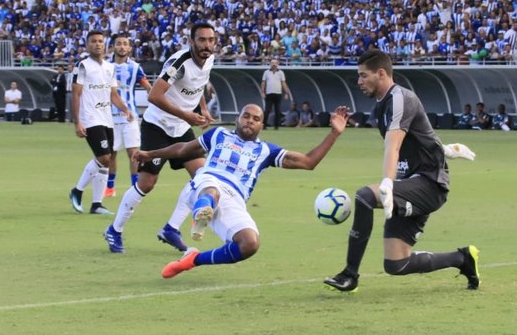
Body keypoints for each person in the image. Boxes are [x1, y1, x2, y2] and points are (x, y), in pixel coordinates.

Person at [323, 50, 480, 293]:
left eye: (363, 76)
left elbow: (393, 145)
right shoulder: (383, 104)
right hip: (411, 184)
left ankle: (349, 274)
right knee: (396, 264)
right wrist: (447, 149)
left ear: (381, 73)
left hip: (429, 184)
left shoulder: (400, 98)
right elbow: (420, 135)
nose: (359, 81)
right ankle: (463, 259)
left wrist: (387, 182)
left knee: (364, 197)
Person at [130, 104, 349, 278]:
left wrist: (334, 134)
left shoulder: (267, 151)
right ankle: (202, 212)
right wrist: (150, 154)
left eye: (256, 119)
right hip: (206, 182)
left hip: (234, 198)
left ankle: (192, 260)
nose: (250, 121)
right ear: (238, 118)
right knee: (212, 192)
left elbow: (308, 162)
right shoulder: (218, 135)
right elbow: (182, 149)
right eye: (246, 116)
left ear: (262, 125)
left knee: (249, 244)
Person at [104, 22, 216, 253]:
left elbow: (199, 86)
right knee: (146, 183)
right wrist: (187, 114)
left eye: (211, 40)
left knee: (202, 177)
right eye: (202, 40)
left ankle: (171, 229)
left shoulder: (209, 60)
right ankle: (114, 230)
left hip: (181, 127)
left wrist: (202, 109)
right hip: (158, 126)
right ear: (191, 41)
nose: (207, 45)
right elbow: (155, 95)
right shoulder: (179, 63)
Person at [69, 30, 134, 215]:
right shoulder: (82, 66)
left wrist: (125, 109)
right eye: (93, 41)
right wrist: (77, 122)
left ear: (105, 45)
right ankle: (77, 190)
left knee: (107, 161)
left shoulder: (110, 67)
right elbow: (76, 94)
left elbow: (113, 95)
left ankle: (97, 204)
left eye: (100, 41)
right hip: (90, 118)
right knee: (104, 157)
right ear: (87, 45)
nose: (97, 44)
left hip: (107, 118)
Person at [104, 33, 152, 198]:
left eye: (125, 44)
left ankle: (134, 187)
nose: (122, 47)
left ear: (130, 48)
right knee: (111, 154)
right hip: (109, 116)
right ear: (113, 47)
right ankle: (110, 187)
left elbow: (146, 85)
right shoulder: (105, 66)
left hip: (130, 116)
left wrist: (155, 97)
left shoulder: (135, 67)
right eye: (119, 43)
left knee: (134, 153)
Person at [261, 58, 292, 130]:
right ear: (270, 64)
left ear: (277, 64)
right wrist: (262, 92)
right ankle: (264, 125)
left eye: (275, 63)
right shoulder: (266, 72)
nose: (274, 64)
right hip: (269, 93)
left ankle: (276, 126)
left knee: (278, 111)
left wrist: (286, 93)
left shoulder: (281, 73)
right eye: (272, 63)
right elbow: (263, 82)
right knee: (267, 110)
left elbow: (283, 83)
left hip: (278, 93)